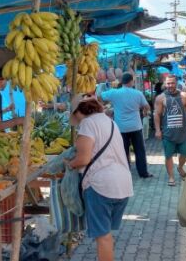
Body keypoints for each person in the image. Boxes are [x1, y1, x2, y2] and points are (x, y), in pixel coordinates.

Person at [67, 94, 132, 261]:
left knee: (102, 237)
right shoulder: (109, 122)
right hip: (123, 184)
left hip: (101, 186)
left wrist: (70, 164)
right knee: (106, 234)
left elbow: (83, 159)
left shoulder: (87, 124)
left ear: (78, 112)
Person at [100, 73, 153, 178]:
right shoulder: (138, 93)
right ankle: (143, 173)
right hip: (136, 126)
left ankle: (125, 172)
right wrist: (145, 112)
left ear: (122, 82)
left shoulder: (114, 93)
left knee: (123, 151)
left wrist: (103, 107)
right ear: (131, 81)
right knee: (139, 151)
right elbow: (147, 107)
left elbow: (99, 96)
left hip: (121, 128)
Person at [154, 75, 186, 186]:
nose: (170, 85)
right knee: (168, 156)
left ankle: (179, 167)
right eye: (168, 83)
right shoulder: (161, 98)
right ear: (165, 84)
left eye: (172, 83)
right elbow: (157, 114)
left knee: (185, 153)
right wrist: (157, 130)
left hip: (183, 133)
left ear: (176, 83)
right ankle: (171, 176)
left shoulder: (184, 96)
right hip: (168, 134)